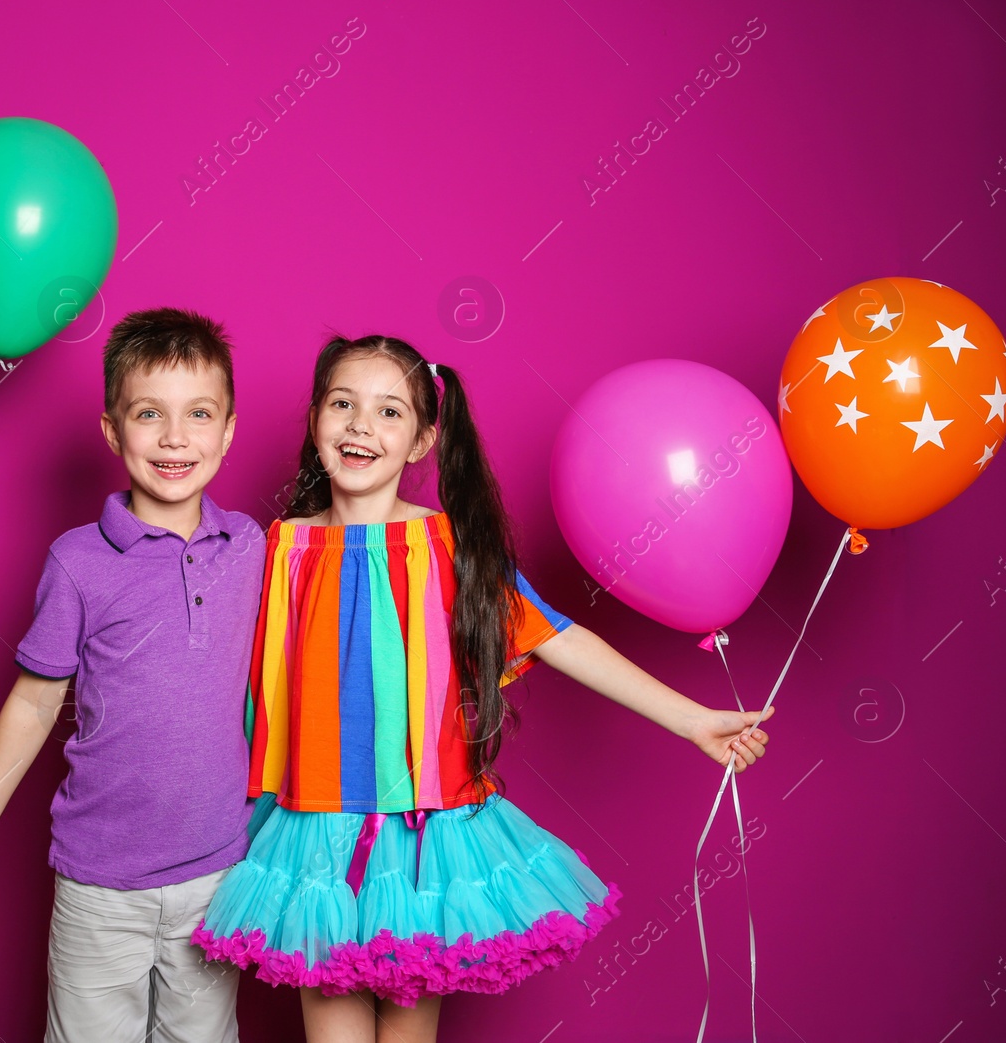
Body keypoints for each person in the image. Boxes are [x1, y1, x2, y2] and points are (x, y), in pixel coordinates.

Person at [190, 334, 774, 1042]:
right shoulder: (275, 546)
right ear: (315, 419)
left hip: (427, 833)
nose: (360, 425)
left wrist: (693, 720)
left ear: (422, 439)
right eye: (342, 404)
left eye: (389, 411)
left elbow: (559, 637)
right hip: (314, 830)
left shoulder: (454, 550)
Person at [0, 308, 266, 1043]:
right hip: (100, 881)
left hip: (217, 873)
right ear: (112, 431)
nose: (174, 437)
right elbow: (37, 703)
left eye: (199, 414)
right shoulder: (79, 561)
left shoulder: (250, 547)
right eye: (148, 413)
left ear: (228, 431)